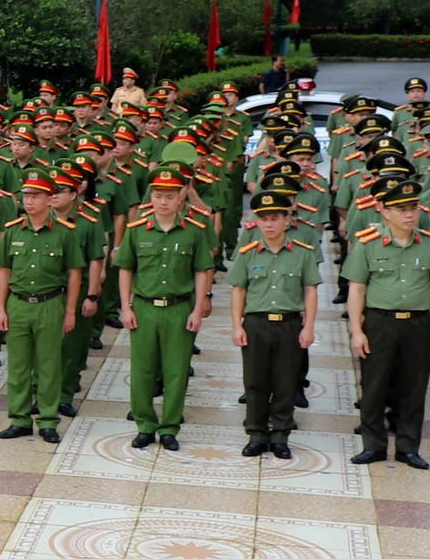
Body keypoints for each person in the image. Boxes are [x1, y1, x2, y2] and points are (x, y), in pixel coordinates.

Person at [346, 176, 430, 468]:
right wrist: (357, 330)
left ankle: (408, 447)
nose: (409, 214)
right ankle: (374, 445)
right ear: (385, 211)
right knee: (374, 385)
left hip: (418, 324)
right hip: (380, 322)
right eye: (401, 209)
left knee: (414, 387)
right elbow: (357, 289)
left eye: (413, 208)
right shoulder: (367, 244)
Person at [112, 164, 214, 451]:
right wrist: (125, 307)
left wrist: (198, 307)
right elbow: (125, 270)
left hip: (179, 309)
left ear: (181, 197)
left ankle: (169, 427)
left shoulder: (193, 231)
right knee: (142, 370)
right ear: (151, 197)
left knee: (176, 371)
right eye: (158, 195)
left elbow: (202, 269)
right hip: (144, 308)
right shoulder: (137, 230)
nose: (164, 202)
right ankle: (145, 425)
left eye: (170, 196)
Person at [227, 188, 321, 459]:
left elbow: (310, 291)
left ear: (287, 220)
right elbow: (239, 291)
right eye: (263, 219)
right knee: (255, 382)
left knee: (285, 382)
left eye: (274, 218)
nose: (268, 224)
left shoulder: (302, 253)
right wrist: (237, 325)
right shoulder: (248, 252)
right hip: (256, 324)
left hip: (290, 324)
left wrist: (309, 327)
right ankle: (256, 433)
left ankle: (280, 435)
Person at [0, 171, 84, 444]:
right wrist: (1, 308)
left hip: (50, 303)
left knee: (48, 365)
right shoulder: (13, 231)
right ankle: (19, 419)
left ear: (49, 199)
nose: (29, 201)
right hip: (18, 304)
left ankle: (47, 420)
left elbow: (74, 274)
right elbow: (3, 271)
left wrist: (69, 311)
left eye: (36, 196)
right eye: (27, 196)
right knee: (18, 366)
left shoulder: (64, 233)